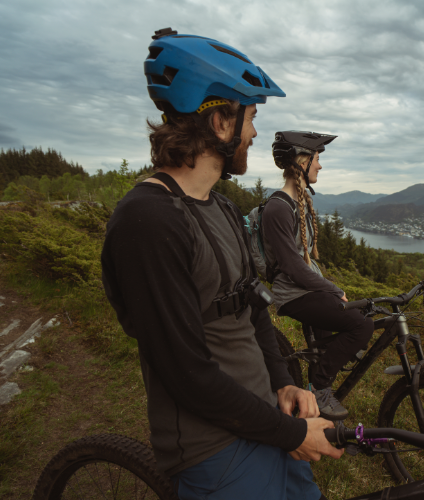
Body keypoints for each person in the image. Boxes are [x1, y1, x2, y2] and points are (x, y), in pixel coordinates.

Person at [101, 29, 342, 500]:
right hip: (214, 449)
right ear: (221, 123)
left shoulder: (222, 207)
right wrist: (291, 434)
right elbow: (186, 372)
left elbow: (253, 310)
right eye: (250, 117)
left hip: (265, 416)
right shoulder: (147, 222)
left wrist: (283, 385)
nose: (253, 133)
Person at [261, 131, 374, 421]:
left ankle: (315, 389)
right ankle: (320, 387)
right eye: (317, 159)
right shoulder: (278, 207)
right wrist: (333, 289)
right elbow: (292, 266)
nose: (320, 166)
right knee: (360, 327)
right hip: (293, 293)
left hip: (306, 289)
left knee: (345, 328)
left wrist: (328, 289)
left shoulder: (294, 202)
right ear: (301, 161)